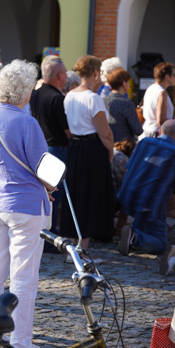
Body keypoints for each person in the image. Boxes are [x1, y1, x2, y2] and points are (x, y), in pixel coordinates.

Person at [0, 60, 52, 348]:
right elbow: (44, 167)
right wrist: (49, 186)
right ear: (25, 91)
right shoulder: (27, 123)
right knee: (23, 275)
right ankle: (20, 343)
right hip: (25, 206)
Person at [62, 55, 115, 252]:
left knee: (75, 193)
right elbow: (105, 132)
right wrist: (110, 151)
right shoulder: (93, 98)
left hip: (75, 146)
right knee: (90, 195)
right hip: (92, 148)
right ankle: (82, 248)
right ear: (94, 72)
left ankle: (71, 245)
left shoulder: (69, 95)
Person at [118, 120, 175, 275]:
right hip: (151, 204)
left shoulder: (144, 142)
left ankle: (134, 235)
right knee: (161, 245)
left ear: (161, 131)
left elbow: (128, 166)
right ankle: (136, 238)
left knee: (144, 224)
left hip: (127, 196)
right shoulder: (174, 153)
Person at [29, 55, 70, 231]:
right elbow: (67, 131)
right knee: (53, 196)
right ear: (60, 75)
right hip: (56, 150)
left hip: (40, 148)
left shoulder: (35, 94)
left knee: (42, 194)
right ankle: (49, 236)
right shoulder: (56, 98)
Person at [104, 68, 143, 143]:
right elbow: (138, 130)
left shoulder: (103, 101)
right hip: (123, 146)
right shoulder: (126, 103)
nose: (129, 85)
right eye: (127, 82)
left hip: (106, 144)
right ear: (123, 83)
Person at [141, 62, 175, 139]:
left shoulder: (150, 88)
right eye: (174, 75)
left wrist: (173, 118)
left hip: (147, 131)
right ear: (167, 77)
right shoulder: (162, 93)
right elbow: (161, 120)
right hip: (157, 133)